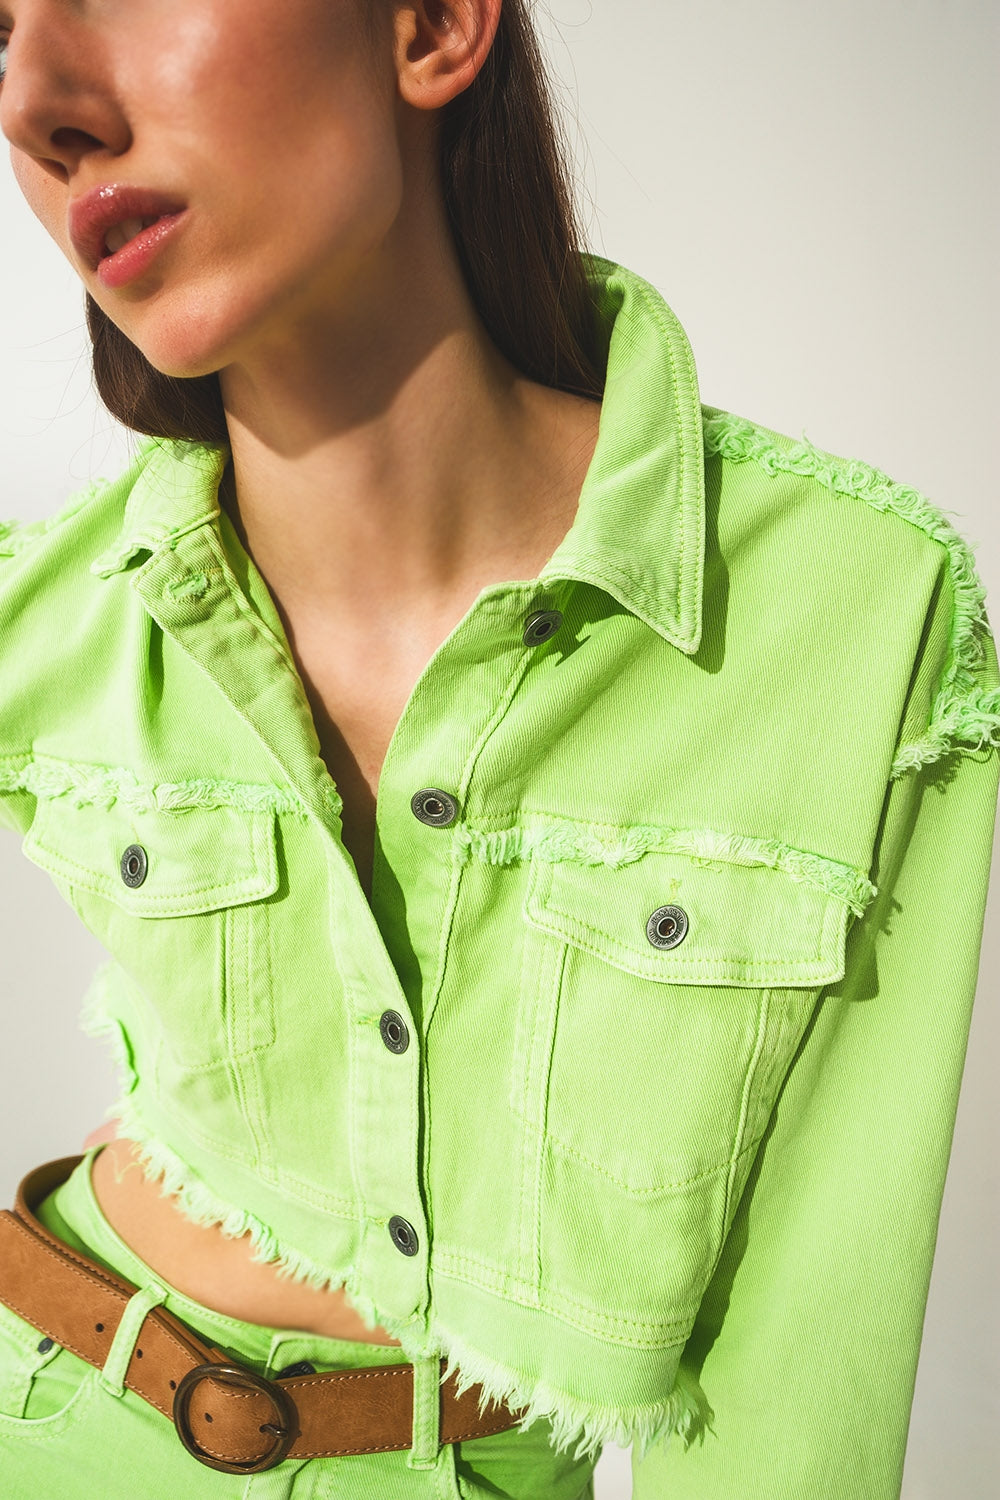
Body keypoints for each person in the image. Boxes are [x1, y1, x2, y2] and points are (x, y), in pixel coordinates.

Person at [0, 3, 997, 1498]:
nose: (39, 104)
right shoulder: (44, 610)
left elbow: (800, 1385)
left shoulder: (857, 613)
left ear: (430, 25)